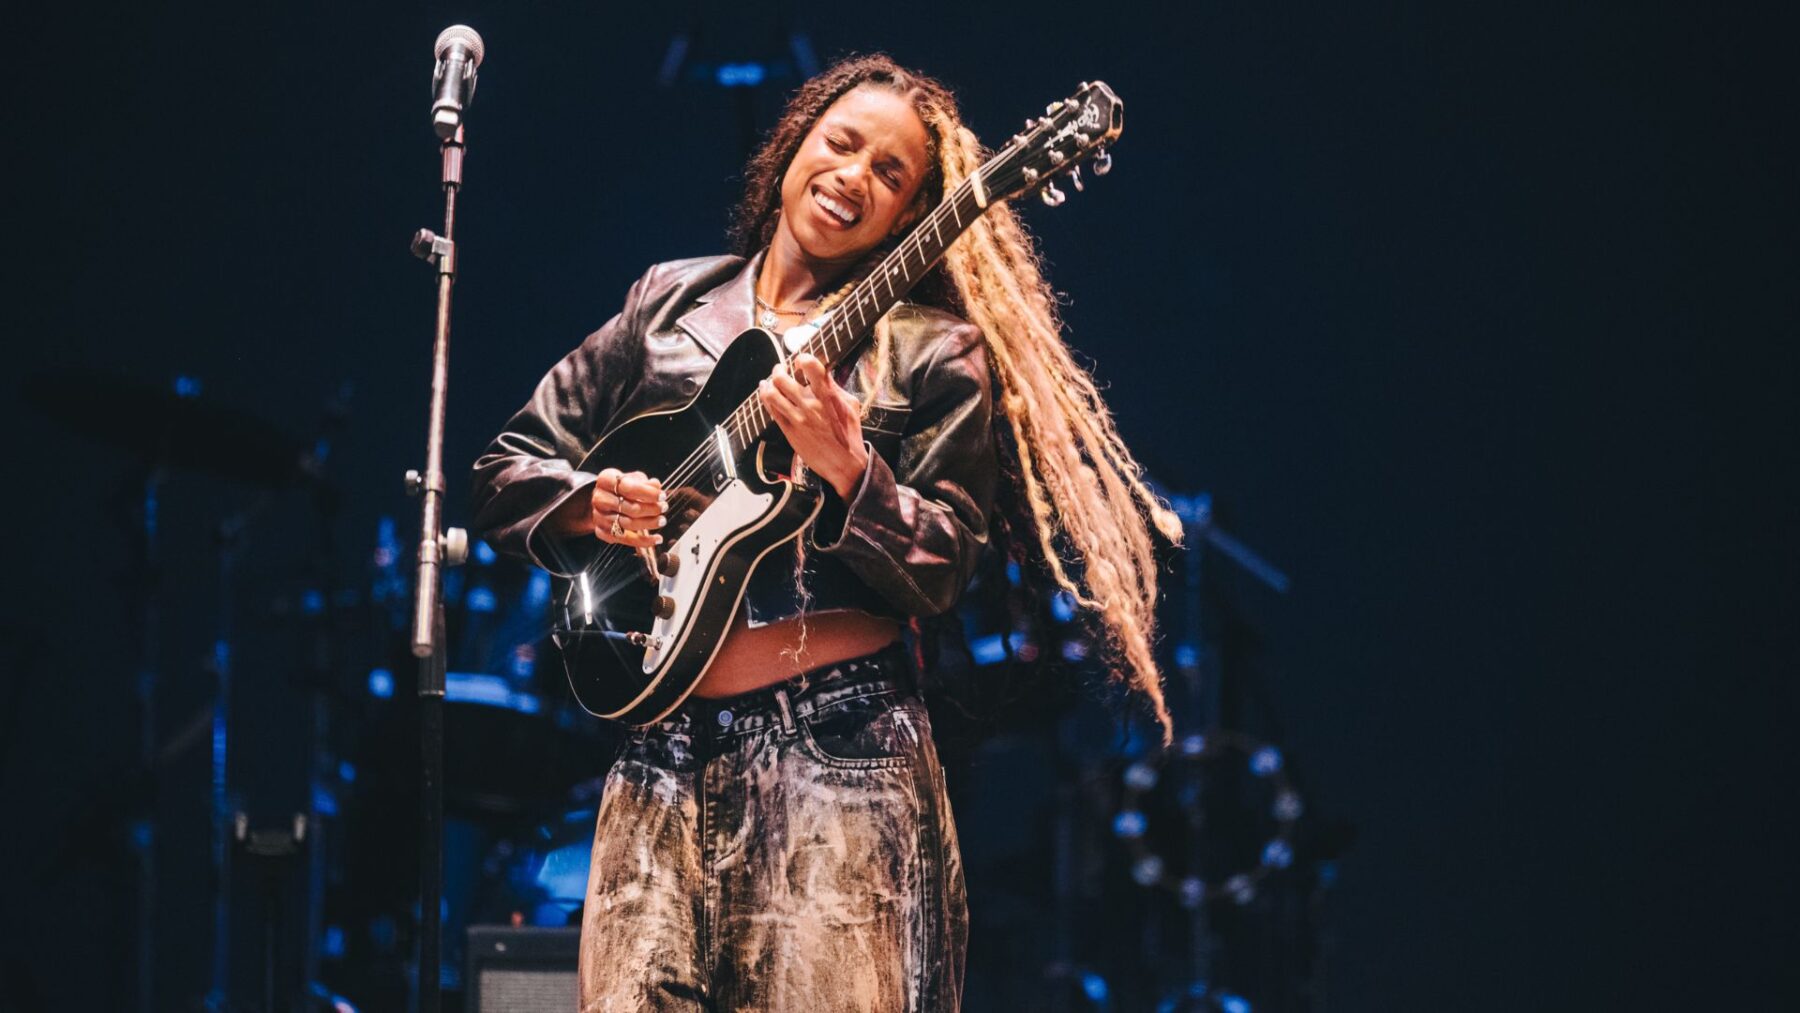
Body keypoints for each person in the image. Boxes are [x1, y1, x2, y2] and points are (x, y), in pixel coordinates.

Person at [471, 54, 1181, 1013]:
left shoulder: (936, 352)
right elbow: (505, 467)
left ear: (912, 216)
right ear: (790, 149)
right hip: (656, 757)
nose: (855, 176)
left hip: (837, 757)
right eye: (841, 144)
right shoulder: (669, 304)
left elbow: (943, 565)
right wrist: (585, 499)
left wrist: (853, 471)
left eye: (890, 175)